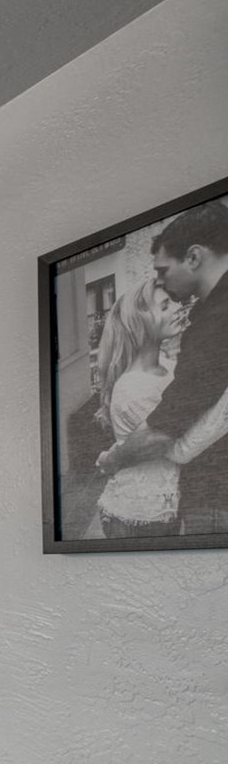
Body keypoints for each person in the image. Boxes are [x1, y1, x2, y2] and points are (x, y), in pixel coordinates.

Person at [98, 199, 228, 534]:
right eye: (163, 303)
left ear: (195, 257)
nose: (165, 285)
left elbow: (172, 439)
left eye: (163, 272)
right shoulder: (135, 383)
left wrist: (113, 458)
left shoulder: (215, 321)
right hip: (149, 510)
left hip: (209, 499)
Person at [91, 278, 182, 539]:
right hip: (135, 517)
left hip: (164, 510)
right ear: (140, 324)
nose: (177, 308)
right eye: (165, 306)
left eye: (173, 301)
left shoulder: (168, 363)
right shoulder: (132, 387)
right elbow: (174, 446)